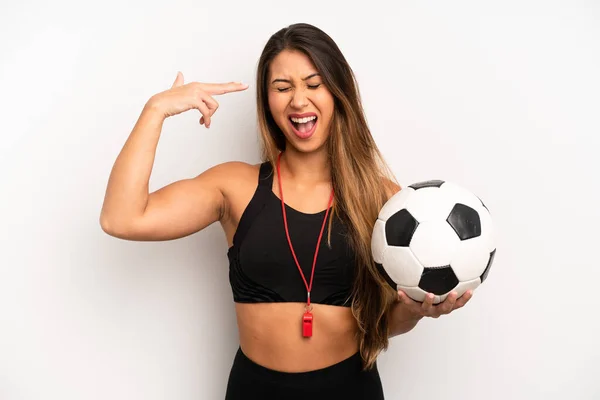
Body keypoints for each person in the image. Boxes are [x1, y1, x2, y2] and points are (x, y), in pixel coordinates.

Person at [100, 23, 472, 400]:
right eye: (282, 87)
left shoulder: (381, 199)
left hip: (350, 389)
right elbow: (122, 218)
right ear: (267, 101)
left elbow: (385, 323)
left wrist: (416, 312)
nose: (298, 101)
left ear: (337, 92)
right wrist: (156, 109)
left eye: (313, 84)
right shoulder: (235, 187)